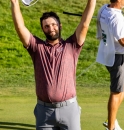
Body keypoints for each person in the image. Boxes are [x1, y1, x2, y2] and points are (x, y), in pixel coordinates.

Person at [10, 0, 96, 129]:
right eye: (46, 26)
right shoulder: (36, 47)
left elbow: (84, 23)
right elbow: (20, 27)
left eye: (54, 24)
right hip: (44, 112)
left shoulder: (72, 45)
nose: (51, 28)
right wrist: (15, 3)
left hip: (69, 109)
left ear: (60, 26)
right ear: (42, 29)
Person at [96, 0, 124, 130]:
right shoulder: (117, 18)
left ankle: (111, 119)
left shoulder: (103, 9)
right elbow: (123, 41)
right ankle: (111, 126)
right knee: (116, 91)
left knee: (123, 86)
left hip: (108, 52)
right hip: (117, 57)